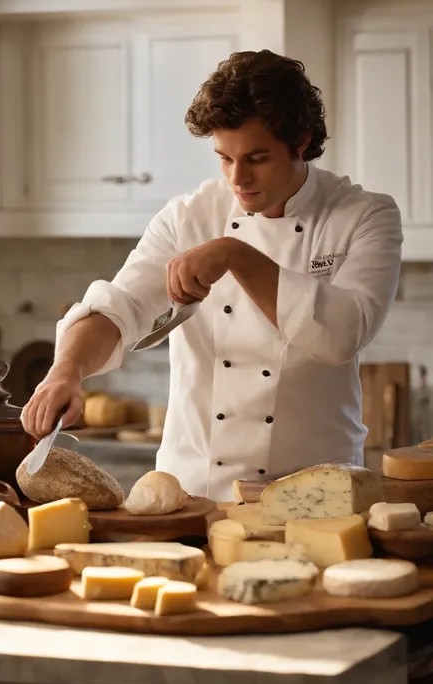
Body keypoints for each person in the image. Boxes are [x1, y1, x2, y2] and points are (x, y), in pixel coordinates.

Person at [21, 49, 403, 502]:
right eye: (224, 158)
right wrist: (65, 371)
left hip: (318, 495)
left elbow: (342, 333)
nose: (237, 178)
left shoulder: (364, 215)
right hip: (192, 495)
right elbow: (122, 305)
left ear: (300, 141)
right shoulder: (188, 217)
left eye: (256, 158)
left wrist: (235, 255)